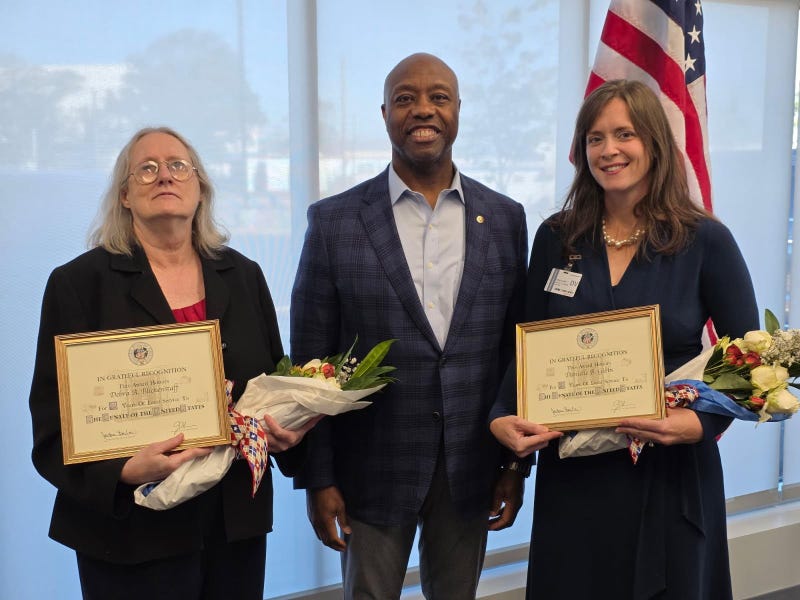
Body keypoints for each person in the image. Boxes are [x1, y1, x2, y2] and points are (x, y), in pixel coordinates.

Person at [489, 79, 758, 599]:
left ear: (654, 143)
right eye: (595, 138)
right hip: (576, 479)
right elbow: (525, 343)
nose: (609, 150)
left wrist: (698, 424)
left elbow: (750, 362)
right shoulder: (557, 237)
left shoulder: (704, 240)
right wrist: (502, 415)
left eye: (624, 134)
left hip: (669, 474)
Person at [29, 126, 317, 600]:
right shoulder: (78, 284)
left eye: (179, 166)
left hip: (233, 528)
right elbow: (52, 423)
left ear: (200, 188)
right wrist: (121, 472)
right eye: (146, 169)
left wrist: (287, 432)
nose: (164, 175)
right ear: (124, 196)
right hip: (129, 532)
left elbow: (272, 382)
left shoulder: (244, 275)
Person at [291, 53, 529, 599]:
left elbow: (517, 355)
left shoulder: (507, 219)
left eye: (438, 96)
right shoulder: (333, 222)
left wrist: (515, 467)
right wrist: (318, 478)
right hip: (369, 471)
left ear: (459, 111)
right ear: (384, 113)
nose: (423, 109)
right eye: (405, 98)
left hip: (472, 467)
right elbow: (311, 362)